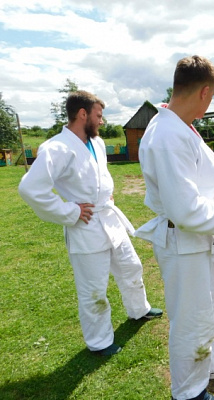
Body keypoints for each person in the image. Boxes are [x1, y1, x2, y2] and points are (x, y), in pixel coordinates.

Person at [134, 55, 214, 400]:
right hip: (184, 241)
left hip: (197, 241)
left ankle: (213, 361)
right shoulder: (167, 135)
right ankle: (188, 392)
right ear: (204, 92)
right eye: (212, 96)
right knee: (190, 320)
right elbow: (184, 208)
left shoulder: (179, 124)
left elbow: (191, 169)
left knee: (209, 307)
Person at [18, 90, 162, 357]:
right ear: (82, 114)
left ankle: (138, 309)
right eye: (98, 115)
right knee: (93, 289)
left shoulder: (95, 143)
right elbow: (30, 189)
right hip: (84, 226)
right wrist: (69, 211)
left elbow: (98, 176)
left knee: (131, 267)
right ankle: (99, 342)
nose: (102, 121)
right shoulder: (57, 147)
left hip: (109, 218)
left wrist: (104, 193)